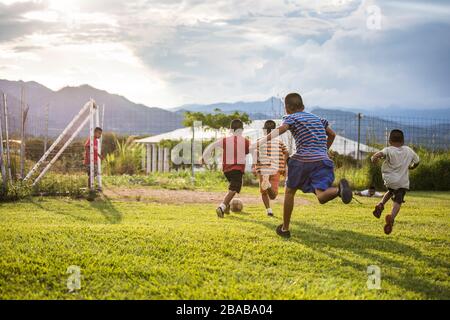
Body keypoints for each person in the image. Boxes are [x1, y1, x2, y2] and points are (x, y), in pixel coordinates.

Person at [254, 93, 353, 238]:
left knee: (290, 192)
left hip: (302, 160)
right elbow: (332, 135)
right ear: (303, 106)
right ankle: (339, 191)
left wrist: (262, 140)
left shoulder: (291, 117)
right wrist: (324, 150)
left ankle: (285, 229)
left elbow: (281, 129)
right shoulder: (318, 119)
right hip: (323, 161)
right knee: (320, 194)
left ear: (288, 108)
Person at [371, 129, 420, 235]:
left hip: (389, 180)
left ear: (389, 141)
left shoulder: (388, 150)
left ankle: (380, 204)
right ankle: (391, 218)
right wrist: (412, 167)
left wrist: (375, 157)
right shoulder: (408, 150)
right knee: (398, 199)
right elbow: (417, 161)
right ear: (403, 141)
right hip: (401, 182)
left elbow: (380, 154)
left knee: (391, 191)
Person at [203, 119, 250, 218]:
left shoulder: (225, 140)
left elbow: (212, 145)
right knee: (233, 189)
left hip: (226, 170)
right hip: (237, 169)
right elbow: (250, 150)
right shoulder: (245, 141)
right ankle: (222, 207)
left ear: (230, 129)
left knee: (234, 186)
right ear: (242, 130)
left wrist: (204, 156)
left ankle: (227, 207)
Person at [253, 120, 289, 216]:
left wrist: (254, 166)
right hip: (275, 169)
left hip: (263, 169)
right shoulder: (279, 142)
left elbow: (255, 153)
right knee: (273, 195)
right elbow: (287, 153)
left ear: (264, 130)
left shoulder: (259, 141)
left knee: (263, 192)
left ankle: (269, 210)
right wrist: (284, 165)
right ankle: (268, 186)